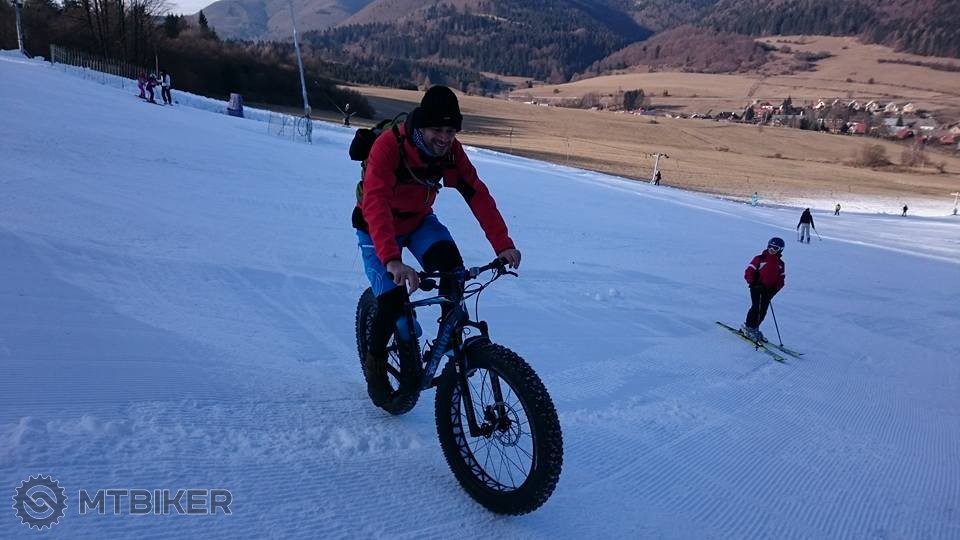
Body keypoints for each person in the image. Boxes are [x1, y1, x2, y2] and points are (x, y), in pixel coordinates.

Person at [353, 85, 520, 405]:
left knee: (453, 272)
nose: (444, 138)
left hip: (418, 222)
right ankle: (375, 364)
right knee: (391, 302)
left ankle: (449, 339)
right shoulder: (389, 147)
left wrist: (502, 244)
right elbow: (375, 203)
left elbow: (476, 193)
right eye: (437, 130)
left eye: (451, 131)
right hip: (375, 227)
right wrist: (392, 260)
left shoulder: (451, 152)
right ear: (421, 126)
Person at [741, 237, 786, 342]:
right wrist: (753, 283)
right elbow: (749, 272)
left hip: (768, 291)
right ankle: (748, 327)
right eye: (770, 246)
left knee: (763, 310)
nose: (772, 249)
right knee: (756, 308)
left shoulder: (780, 264)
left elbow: (781, 280)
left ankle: (754, 328)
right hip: (757, 288)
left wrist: (774, 290)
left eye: (775, 248)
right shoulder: (760, 259)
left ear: (780, 249)